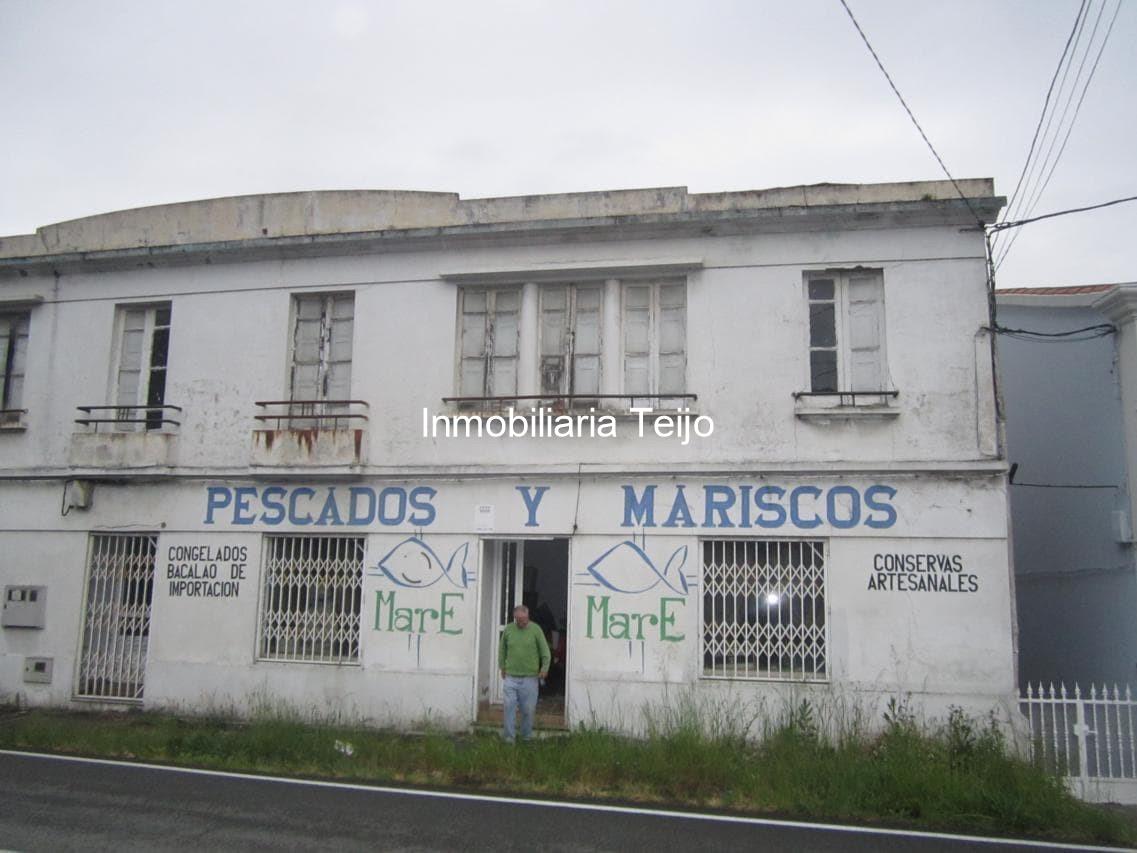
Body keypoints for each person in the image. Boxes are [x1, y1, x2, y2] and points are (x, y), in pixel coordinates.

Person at [498, 604, 550, 743]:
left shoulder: (536, 630)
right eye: (519, 619)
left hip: (530, 678)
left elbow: (545, 652)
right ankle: (509, 739)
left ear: (528, 616)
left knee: (528, 710)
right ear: (515, 618)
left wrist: (544, 668)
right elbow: (502, 649)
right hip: (511, 677)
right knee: (509, 707)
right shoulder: (509, 629)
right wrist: (502, 666)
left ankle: (526, 737)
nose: (522, 622)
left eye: (524, 619)